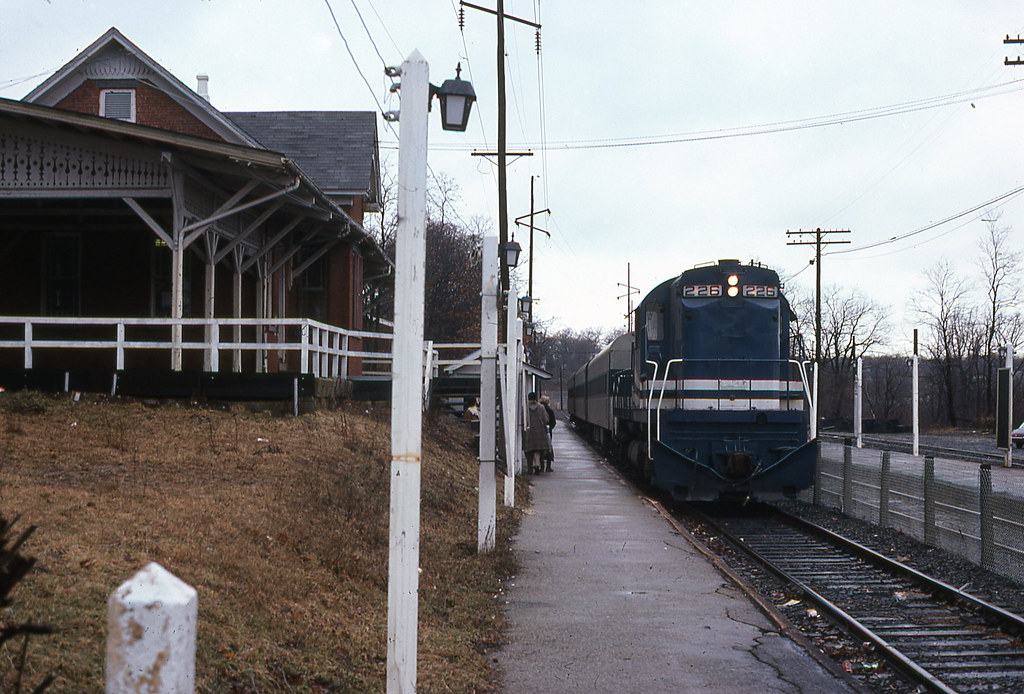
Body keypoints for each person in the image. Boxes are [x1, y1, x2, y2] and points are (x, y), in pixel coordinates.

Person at [523, 391, 550, 474]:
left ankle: (530, 469)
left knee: (529, 452)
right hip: (540, 432)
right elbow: (546, 420)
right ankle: (538, 465)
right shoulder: (541, 408)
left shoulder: (526, 408)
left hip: (529, 432)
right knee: (539, 451)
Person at [540, 394, 556, 472]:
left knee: (540, 449)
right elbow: (553, 422)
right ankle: (548, 467)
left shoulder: (538, 409)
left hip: (539, 432)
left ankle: (542, 467)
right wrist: (550, 428)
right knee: (549, 449)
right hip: (548, 432)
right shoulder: (550, 411)